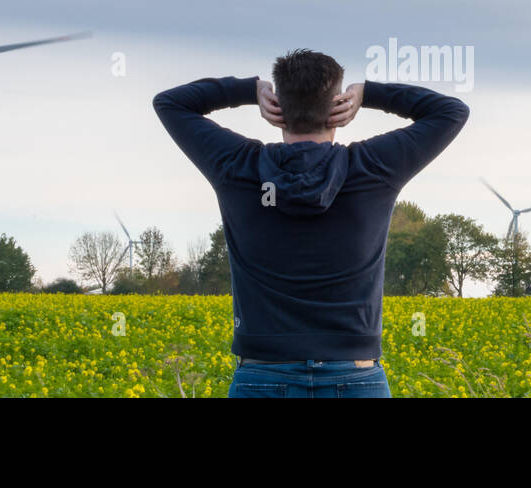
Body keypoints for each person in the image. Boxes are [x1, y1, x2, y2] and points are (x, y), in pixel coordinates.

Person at [153, 49, 469, 397]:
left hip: (262, 375)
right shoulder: (373, 167)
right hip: (356, 376)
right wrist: (368, 93)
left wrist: (248, 90)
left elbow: (170, 103)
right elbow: (451, 111)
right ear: (338, 108)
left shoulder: (236, 165)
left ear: (278, 108)